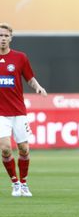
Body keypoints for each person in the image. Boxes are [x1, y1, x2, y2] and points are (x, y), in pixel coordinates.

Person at [0, 23, 47, 197]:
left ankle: (24, 183)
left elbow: (30, 77)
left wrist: (38, 87)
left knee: (24, 149)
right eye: (0, 35)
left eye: (5, 36)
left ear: (10, 38)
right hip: (0, 114)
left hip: (18, 111)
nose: (3, 39)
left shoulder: (20, 57)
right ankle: (15, 183)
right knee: (5, 148)